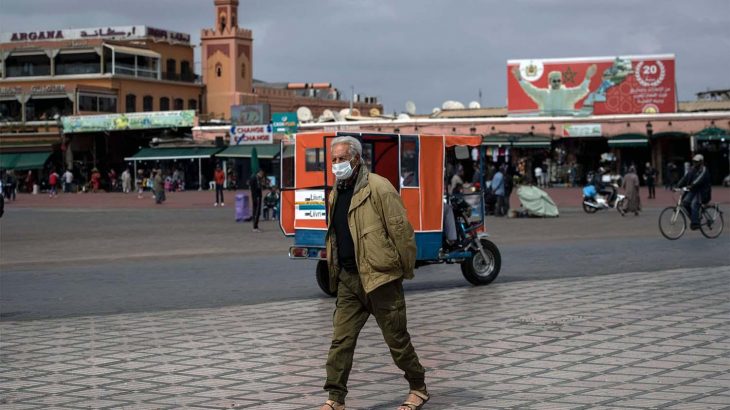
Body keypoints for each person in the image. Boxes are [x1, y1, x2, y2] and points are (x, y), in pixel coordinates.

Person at [321, 136, 427, 410]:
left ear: (356, 159)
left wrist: (403, 270)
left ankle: (418, 387)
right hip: (348, 280)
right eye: (333, 160)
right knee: (340, 342)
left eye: (341, 159)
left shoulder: (379, 188)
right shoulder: (335, 192)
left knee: (397, 340)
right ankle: (335, 398)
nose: (336, 164)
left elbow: (401, 232)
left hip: (381, 279)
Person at [512, 64, 597, 116]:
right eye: (554, 81)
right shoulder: (544, 94)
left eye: (559, 80)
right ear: (549, 81)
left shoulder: (567, 93)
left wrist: (587, 78)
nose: (557, 83)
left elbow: (581, 90)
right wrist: (520, 79)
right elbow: (530, 90)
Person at [676, 154, 711, 230]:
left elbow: (699, 179)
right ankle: (695, 218)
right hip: (693, 190)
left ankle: (695, 223)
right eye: (694, 161)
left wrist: (691, 185)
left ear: (701, 162)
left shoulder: (704, 170)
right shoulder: (692, 169)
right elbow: (685, 178)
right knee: (685, 203)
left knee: (694, 204)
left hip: (702, 192)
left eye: (697, 162)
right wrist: (678, 185)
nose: (695, 163)